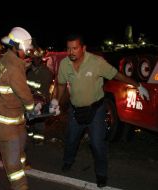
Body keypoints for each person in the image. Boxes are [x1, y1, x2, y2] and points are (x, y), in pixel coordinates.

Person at [55, 34, 149, 188]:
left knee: (98, 144)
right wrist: (55, 102)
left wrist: (137, 85)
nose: (71, 52)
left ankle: (101, 174)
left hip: (96, 110)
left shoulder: (96, 62)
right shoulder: (65, 64)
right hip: (75, 110)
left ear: (83, 48)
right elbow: (60, 85)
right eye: (68, 48)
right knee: (71, 140)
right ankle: (67, 162)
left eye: (75, 48)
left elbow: (117, 74)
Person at [0, 27, 39, 190]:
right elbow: (24, 94)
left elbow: (11, 77)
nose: (28, 53)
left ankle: (22, 163)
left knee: (21, 142)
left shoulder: (7, 60)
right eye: (26, 50)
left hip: (14, 116)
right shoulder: (13, 67)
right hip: (5, 122)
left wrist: (22, 66)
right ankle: (20, 185)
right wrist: (33, 108)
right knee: (12, 164)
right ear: (17, 47)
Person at [26, 47, 53, 144]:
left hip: (41, 101)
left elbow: (44, 87)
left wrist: (33, 90)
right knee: (30, 120)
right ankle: (31, 138)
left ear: (41, 59)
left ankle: (39, 141)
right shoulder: (27, 71)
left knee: (40, 122)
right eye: (34, 58)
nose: (36, 60)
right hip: (29, 100)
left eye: (38, 58)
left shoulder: (46, 72)